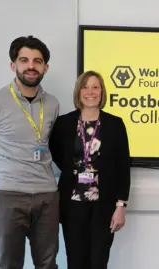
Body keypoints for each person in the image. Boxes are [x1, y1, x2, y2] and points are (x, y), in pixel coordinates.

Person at [0, 35, 60, 269]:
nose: (31, 66)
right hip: (7, 195)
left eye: (37, 61)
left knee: (48, 264)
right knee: (10, 264)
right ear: (14, 65)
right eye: (24, 60)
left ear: (45, 68)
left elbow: (51, 144)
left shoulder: (52, 104)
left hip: (46, 195)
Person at [49, 70, 131, 269]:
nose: (90, 92)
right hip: (72, 205)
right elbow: (57, 155)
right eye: (85, 87)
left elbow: (123, 166)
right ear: (78, 92)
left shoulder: (115, 124)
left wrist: (121, 205)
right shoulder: (64, 123)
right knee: (75, 261)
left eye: (96, 87)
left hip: (104, 205)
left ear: (102, 92)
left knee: (98, 261)